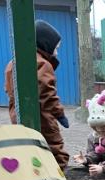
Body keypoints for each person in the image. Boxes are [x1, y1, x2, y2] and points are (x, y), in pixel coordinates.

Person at [4, 20, 69, 168]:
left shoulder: (13, 63)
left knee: (29, 150)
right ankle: (58, 175)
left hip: (18, 116)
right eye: (56, 48)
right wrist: (59, 114)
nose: (57, 52)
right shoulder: (42, 64)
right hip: (41, 116)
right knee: (54, 148)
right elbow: (47, 93)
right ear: (45, 44)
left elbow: (8, 89)